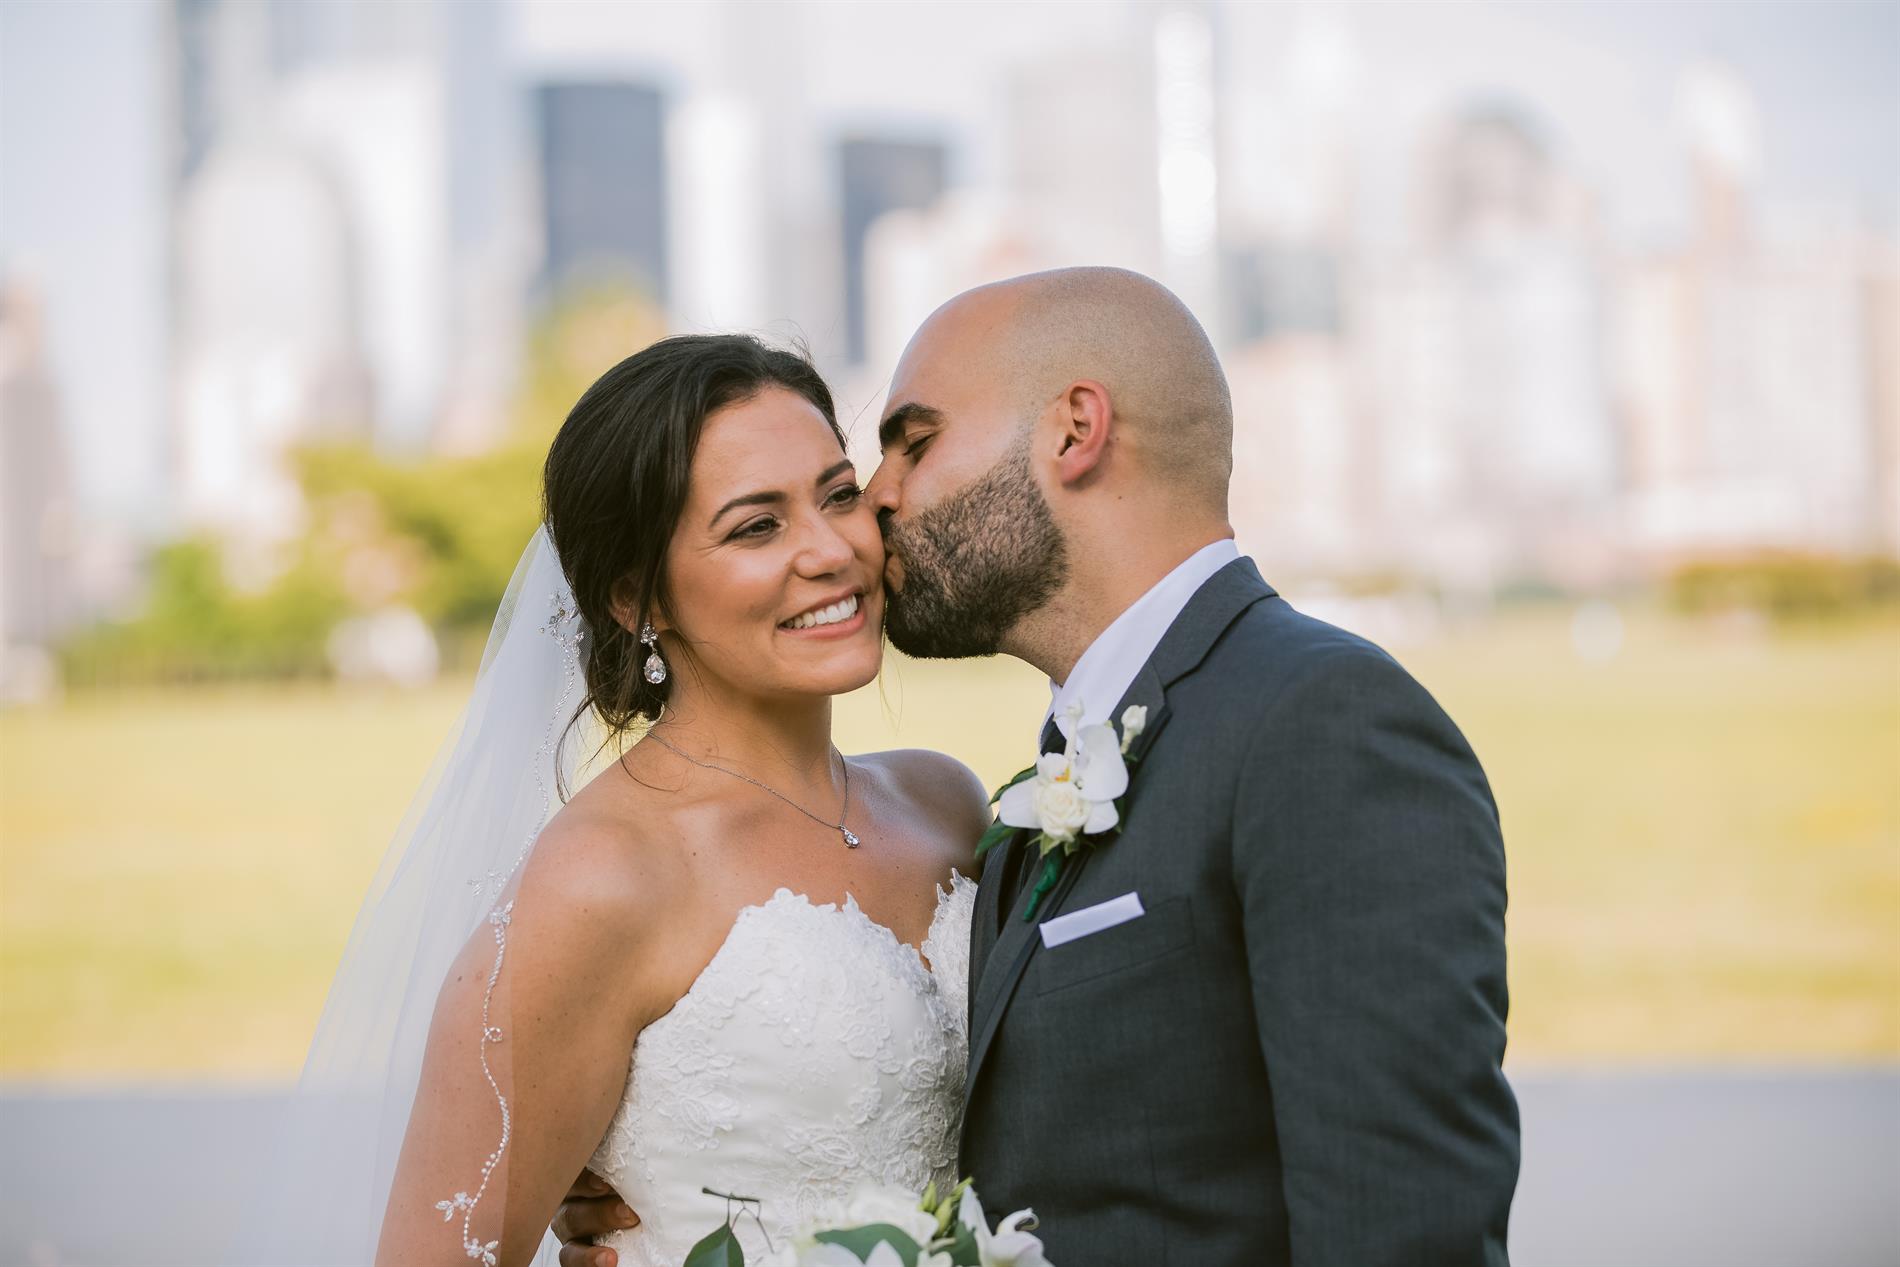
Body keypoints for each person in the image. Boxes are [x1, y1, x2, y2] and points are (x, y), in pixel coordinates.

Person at [559, 267, 1519, 1266]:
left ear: (1075, 431)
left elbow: (1402, 1230)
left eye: (915, 443)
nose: (874, 499)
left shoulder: (1322, 726)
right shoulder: (1046, 772)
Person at [238, 334, 990, 1267]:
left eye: (838, 495)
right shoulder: (600, 878)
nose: (832, 549)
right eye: (757, 526)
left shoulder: (946, 805)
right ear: (638, 599)